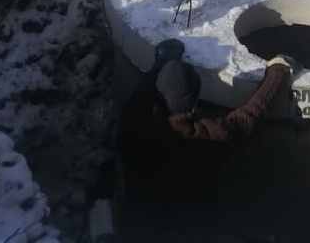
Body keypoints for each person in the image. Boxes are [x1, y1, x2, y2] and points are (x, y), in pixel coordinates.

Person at [116, 39, 296, 235]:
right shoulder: (206, 140)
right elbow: (249, 117)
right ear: (194, 105)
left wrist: (164, 63)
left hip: (138, 229)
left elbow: (144, 93)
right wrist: (278, 73)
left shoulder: (132, 121)